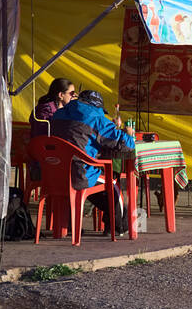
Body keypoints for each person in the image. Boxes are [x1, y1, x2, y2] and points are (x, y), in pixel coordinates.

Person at [49, 89, 135, 234]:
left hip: (53, 174)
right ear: (97, 106)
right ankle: (118, 227)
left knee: (94, 177)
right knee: (113, 187)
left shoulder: (57, 115)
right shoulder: (96, 119)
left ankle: (67, 225)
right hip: (79, 175)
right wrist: (129, 134)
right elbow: (127, 145)